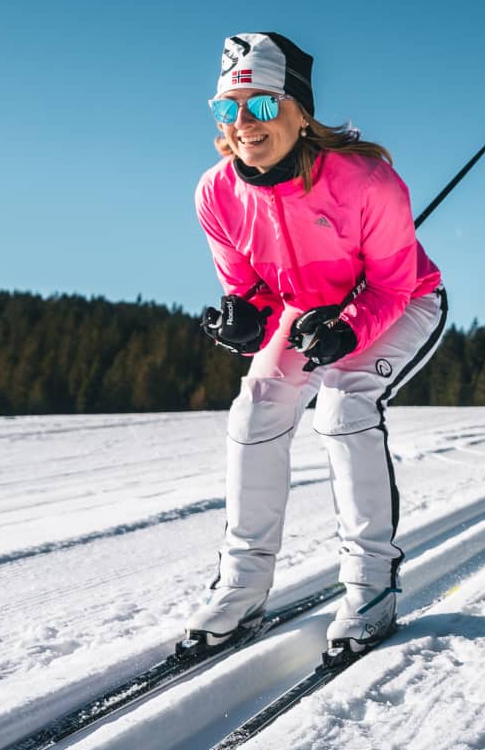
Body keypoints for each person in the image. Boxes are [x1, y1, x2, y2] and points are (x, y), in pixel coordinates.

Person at [184, 32, 446, 659]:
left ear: (300, 112)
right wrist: (246, 316)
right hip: (308, 311)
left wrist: (350, 330)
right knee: (256, 409)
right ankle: (243, 585)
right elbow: (248, 286)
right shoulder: (217, 193)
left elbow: (391, 282)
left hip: (403, 300)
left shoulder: (367, 182)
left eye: (263, 105)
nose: (244, 122)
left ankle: (370, 585)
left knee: (344, 405)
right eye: (229, 108)